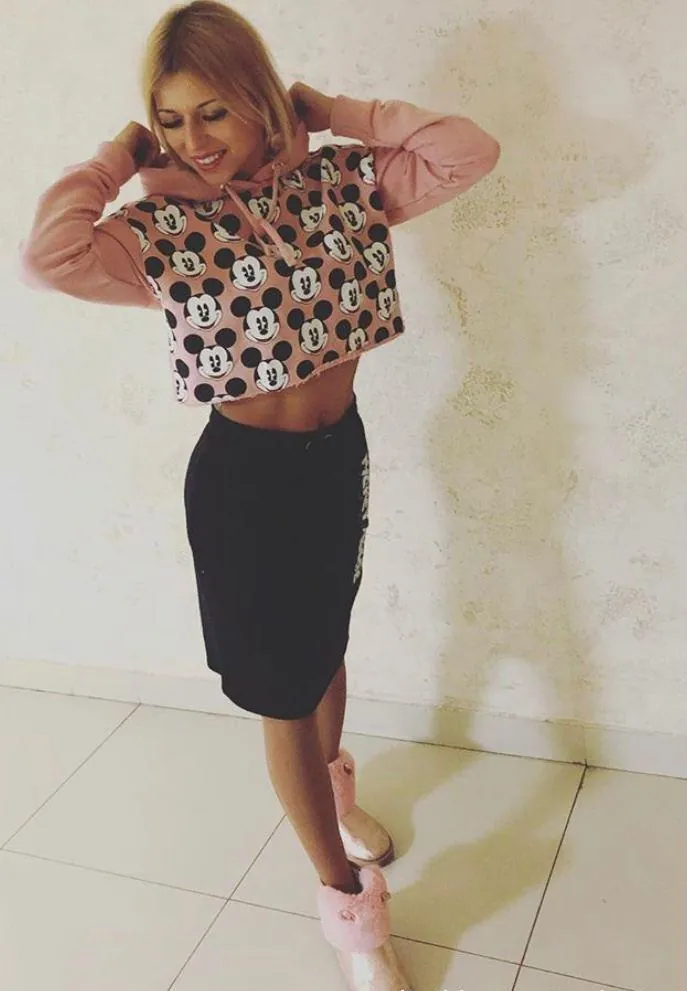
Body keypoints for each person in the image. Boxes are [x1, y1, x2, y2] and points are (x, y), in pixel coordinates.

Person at [19, 2, 500, 987]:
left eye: (214, 112)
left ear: (259, 100)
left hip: (335, 456)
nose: (194, 139)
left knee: (325, 649)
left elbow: (466, 150)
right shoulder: (159, 226)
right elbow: (48, 255)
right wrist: (117, 158)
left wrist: (338, 111)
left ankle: (335, 795)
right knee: (283, 694)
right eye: (171, 118)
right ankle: (350, 911)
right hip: (244, 482)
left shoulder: (341, 184)